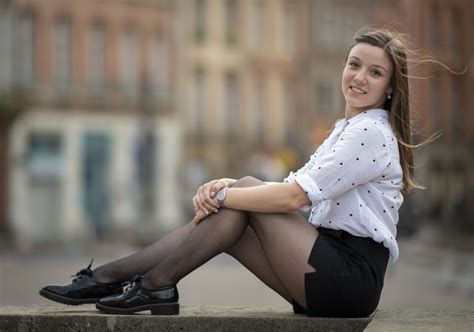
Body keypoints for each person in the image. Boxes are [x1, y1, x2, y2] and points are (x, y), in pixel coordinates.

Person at [39, 27, 426, 317]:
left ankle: (129, 280)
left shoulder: (370, 132)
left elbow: (293, 196)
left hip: (347, 278)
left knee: (243, 194)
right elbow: (294, 184)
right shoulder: (347, 129)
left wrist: (224, 194)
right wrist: (227, 188)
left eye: (375, 73)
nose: (359, 77)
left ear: (390, 88)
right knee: (231, 220)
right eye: (354, 64)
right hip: (323, 267)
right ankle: (134, 281)